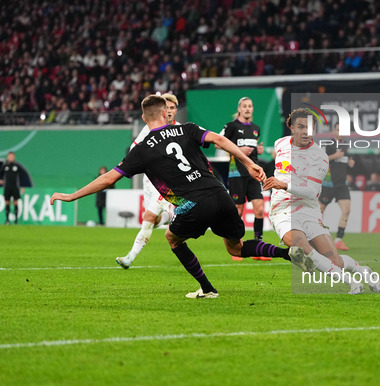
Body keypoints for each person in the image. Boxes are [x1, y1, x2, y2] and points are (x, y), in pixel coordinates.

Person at [51, 95, 309, 299]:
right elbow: (218, 139)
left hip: (194, 203)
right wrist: (248, 162)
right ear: (165, 113)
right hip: (220, 193)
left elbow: (108, 179)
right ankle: (287, 254)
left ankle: (207, 289)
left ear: (144, 117)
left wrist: (73, 196)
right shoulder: (187, 129)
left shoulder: (140, 150)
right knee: (236, 247)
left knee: (172, 238)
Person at [263, 108, 380, 295]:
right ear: (292, 127)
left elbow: (311, 192)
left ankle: (363, 271)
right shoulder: (280, 144)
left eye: (309, 128)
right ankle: (352, 283)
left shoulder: (319, 156)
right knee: (302, 247)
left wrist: (284, 185)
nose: (305, 132)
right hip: (282, 209)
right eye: (300, 127)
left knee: (334, 260)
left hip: (308, 209)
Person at [116, 93, 179, 268]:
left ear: (176, 111)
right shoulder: (149, 128)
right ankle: (171, 216)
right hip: (149, 181)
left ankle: (130, 257)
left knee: (149, 216)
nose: (168, 111)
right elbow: (133, 149)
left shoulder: (181, 129)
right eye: (166, 108)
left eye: (172, 108)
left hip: (167, 182)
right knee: (156, 220)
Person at [219, 97, 268, 261]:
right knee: (237, 211)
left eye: (250, 106)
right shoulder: (231, 126)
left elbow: (252, 151)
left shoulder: (256, 129)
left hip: (253, 173)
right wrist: (238, 149)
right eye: (244, 106)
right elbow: (219, 143)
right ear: (239, 109)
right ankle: (236, 246)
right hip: (236, 173)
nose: (247, 109)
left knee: (259, 209)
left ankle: (257, 247)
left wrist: (257, 150)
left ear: (252, 109)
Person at [319, 123, 354, 251]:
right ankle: (314, 237)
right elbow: (320, 160)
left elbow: (347, 160)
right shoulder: (328, 144)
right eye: (338, 129)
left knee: (347, 210)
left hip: (341, 184)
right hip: (329, 183)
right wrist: (335, 156)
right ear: (334, 130)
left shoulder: (346, 145)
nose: (340, 132)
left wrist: (351, 162)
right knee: (320, 210)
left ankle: (339, 240)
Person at [0, 152, 27, 225]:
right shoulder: (5, 166)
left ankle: (15, 221)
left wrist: (22, 186)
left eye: (12, 156)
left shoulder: (17, 166)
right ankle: (7, 220)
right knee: (7, 203)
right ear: (8, 157)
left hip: (15, 187)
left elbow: (22, 177)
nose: (11, 157)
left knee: (15, 203)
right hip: (7, 187)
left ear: (14, 157)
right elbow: (0, 174)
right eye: (10, 156)